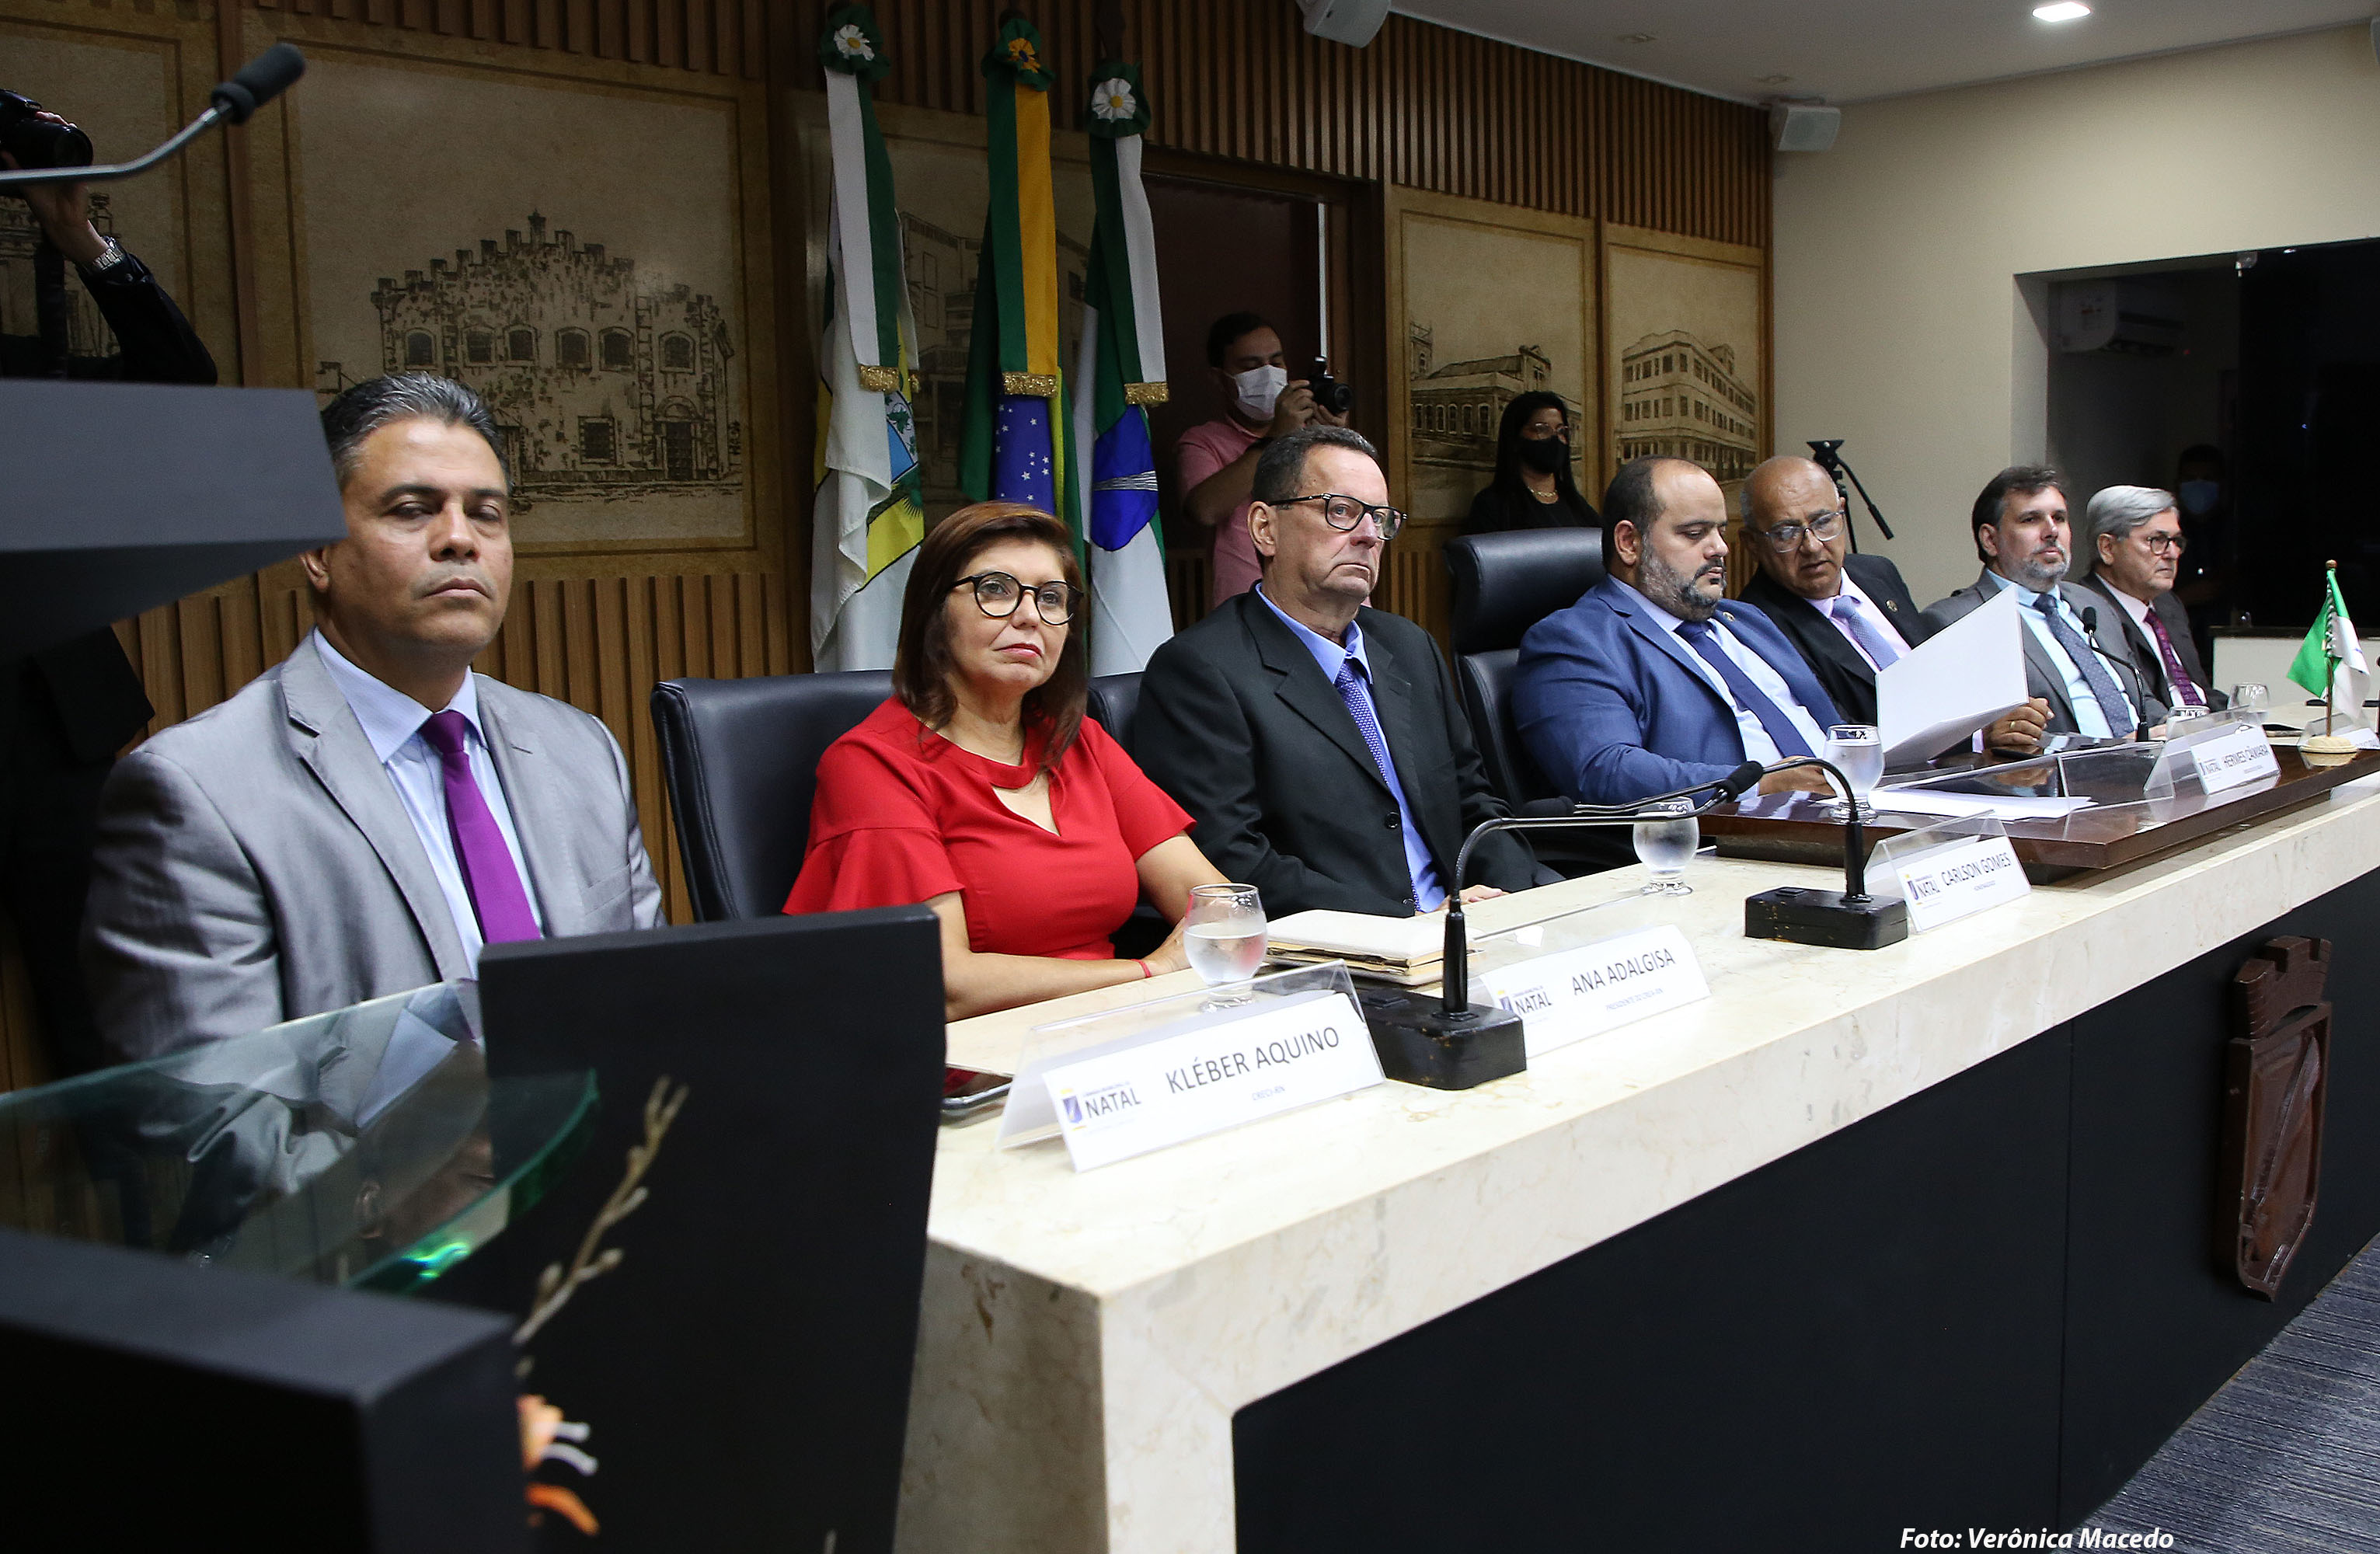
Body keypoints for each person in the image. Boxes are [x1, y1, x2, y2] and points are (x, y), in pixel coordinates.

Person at [82, 375, 664, 1061]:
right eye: (413, 510)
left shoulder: (582, 750)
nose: (459, 539)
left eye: (486, 513)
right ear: (318, 551)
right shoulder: (197, 796)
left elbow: (657, 1013)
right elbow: (217, 1107)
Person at [784, 503, 1228, 1020]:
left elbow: (1216, 903)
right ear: (934, 612)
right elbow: (943, 982)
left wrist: (1166, 971)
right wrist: (1148, 973)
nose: (1029, 616)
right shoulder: (873, 766)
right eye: (995, 589)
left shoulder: (1080, 742)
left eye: (1051, 597)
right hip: (979, 1052)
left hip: (1118, 1025)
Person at [3, 104, 216, 1075]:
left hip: (54, 722)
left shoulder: (26, 365)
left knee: (100, 1025)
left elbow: (180, 379)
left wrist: (79, 237)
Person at [1135, 427, 1538, 918]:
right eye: (1341, 511)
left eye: (1380, 519)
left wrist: (1512, 900)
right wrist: (1413, 926)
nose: (1368, 536)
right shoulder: (1200, 671)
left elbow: (1475, 801)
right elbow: (1233, 862)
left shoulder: (1408, 646)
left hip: (1471, 924)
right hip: (1346, 947)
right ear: (1265, 528)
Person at [1514, 456, 1842, 807]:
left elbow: (1832, 728)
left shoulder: (1747, 620)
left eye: (1720, 531)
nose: (1720, 548)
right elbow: (1605, 771)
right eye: (1695, 534)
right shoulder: (1576, 641)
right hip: (1735, 831)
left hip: (1853, 808)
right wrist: (1759, 784)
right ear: (1629, 543)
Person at [1736, 455, 2050, 755]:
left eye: (1823, 522)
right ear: (1752, 544)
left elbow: (1931, 679)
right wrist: (1978, 736)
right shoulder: (1755, 627)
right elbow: (1844, 738)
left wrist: (2000, 712)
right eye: (1786, 533)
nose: (1813, 546)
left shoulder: (1877, 572)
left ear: (1841, 512)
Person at [1922, 466, 2165, 741]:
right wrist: (2118, 747)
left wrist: (2177, 725)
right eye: (2031, 520)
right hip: (2069, 767)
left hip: (2146, 758)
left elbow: (2142, 699)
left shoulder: (2092, 603)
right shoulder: (1956, 621)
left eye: (2059, 518)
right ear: (1990, 540)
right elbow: (1973, 741)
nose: (2051, 531)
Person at [1177, 312, 1349, 606]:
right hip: (1249, 604)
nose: (1268, 374)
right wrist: (1275, 438)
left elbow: (1356, 503)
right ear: (1219, 378)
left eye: (1276, 363)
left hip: (1328, 596)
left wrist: (1336, 442)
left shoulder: (1312, 432)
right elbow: (1204, 510)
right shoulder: (1203, 441)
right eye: (1251, 366)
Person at [2072, 485, 2225, 715]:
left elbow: (2201, 689)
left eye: (2176, 541)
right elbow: (2135, 709)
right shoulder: (2085, 613)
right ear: (2108, 548)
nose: (2173, 553)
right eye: (2157, 540)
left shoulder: (2167, 603)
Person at [1462, 392, 1600, 535]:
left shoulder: (1577, 505)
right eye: (1542, 429)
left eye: (1560, 431)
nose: (1554, 438)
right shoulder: (1492, 505)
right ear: (1516, 438)